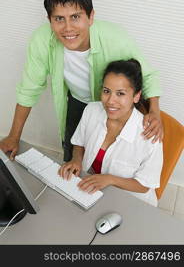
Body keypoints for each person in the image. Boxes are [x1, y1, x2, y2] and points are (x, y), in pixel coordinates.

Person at [0, 0, 163, 162]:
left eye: (75, 17)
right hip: (77, 102)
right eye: (59, 19)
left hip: (114, 104)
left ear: (91, 16)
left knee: (110, 160)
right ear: (49, 20)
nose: (68, 28)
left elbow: (147, 75)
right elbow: (28, 90)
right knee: (72, 156)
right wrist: (13, 136)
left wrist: (155, 111)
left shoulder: (116, 37)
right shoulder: (41, 40)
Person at [59, 59, 163, 207]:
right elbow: (79, 143)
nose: (110, 101)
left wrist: (109, 179)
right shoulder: (91, 111)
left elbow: (144, 185)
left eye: (120, 93)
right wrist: (76, 160)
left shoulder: (150, 134)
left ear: (136, 96)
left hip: (132, 202)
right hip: (95, 190)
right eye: (106, 91)